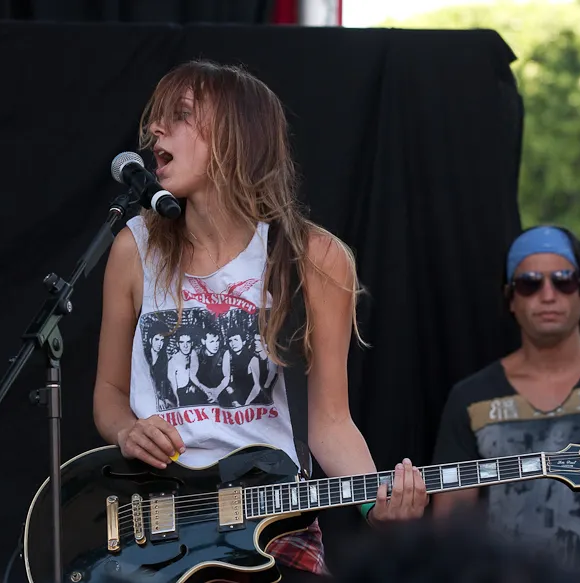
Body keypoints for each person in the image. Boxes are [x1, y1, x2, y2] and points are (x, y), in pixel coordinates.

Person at [92, 60, 428, 582]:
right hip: (158, 520)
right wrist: (127, 429)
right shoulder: (134, 248)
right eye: (155, 118)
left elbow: (330, 421)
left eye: (179, 115)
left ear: (236, 137)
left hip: (271, 522)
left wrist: (374, 505)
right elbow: (109, 392)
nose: (154, 130)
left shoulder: (312, 257)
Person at [431, 225, 580, 583]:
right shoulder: (472, 398)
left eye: (563, 281)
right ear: (511, 298)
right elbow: (451, 523)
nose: (548, 294)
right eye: (530, 283)